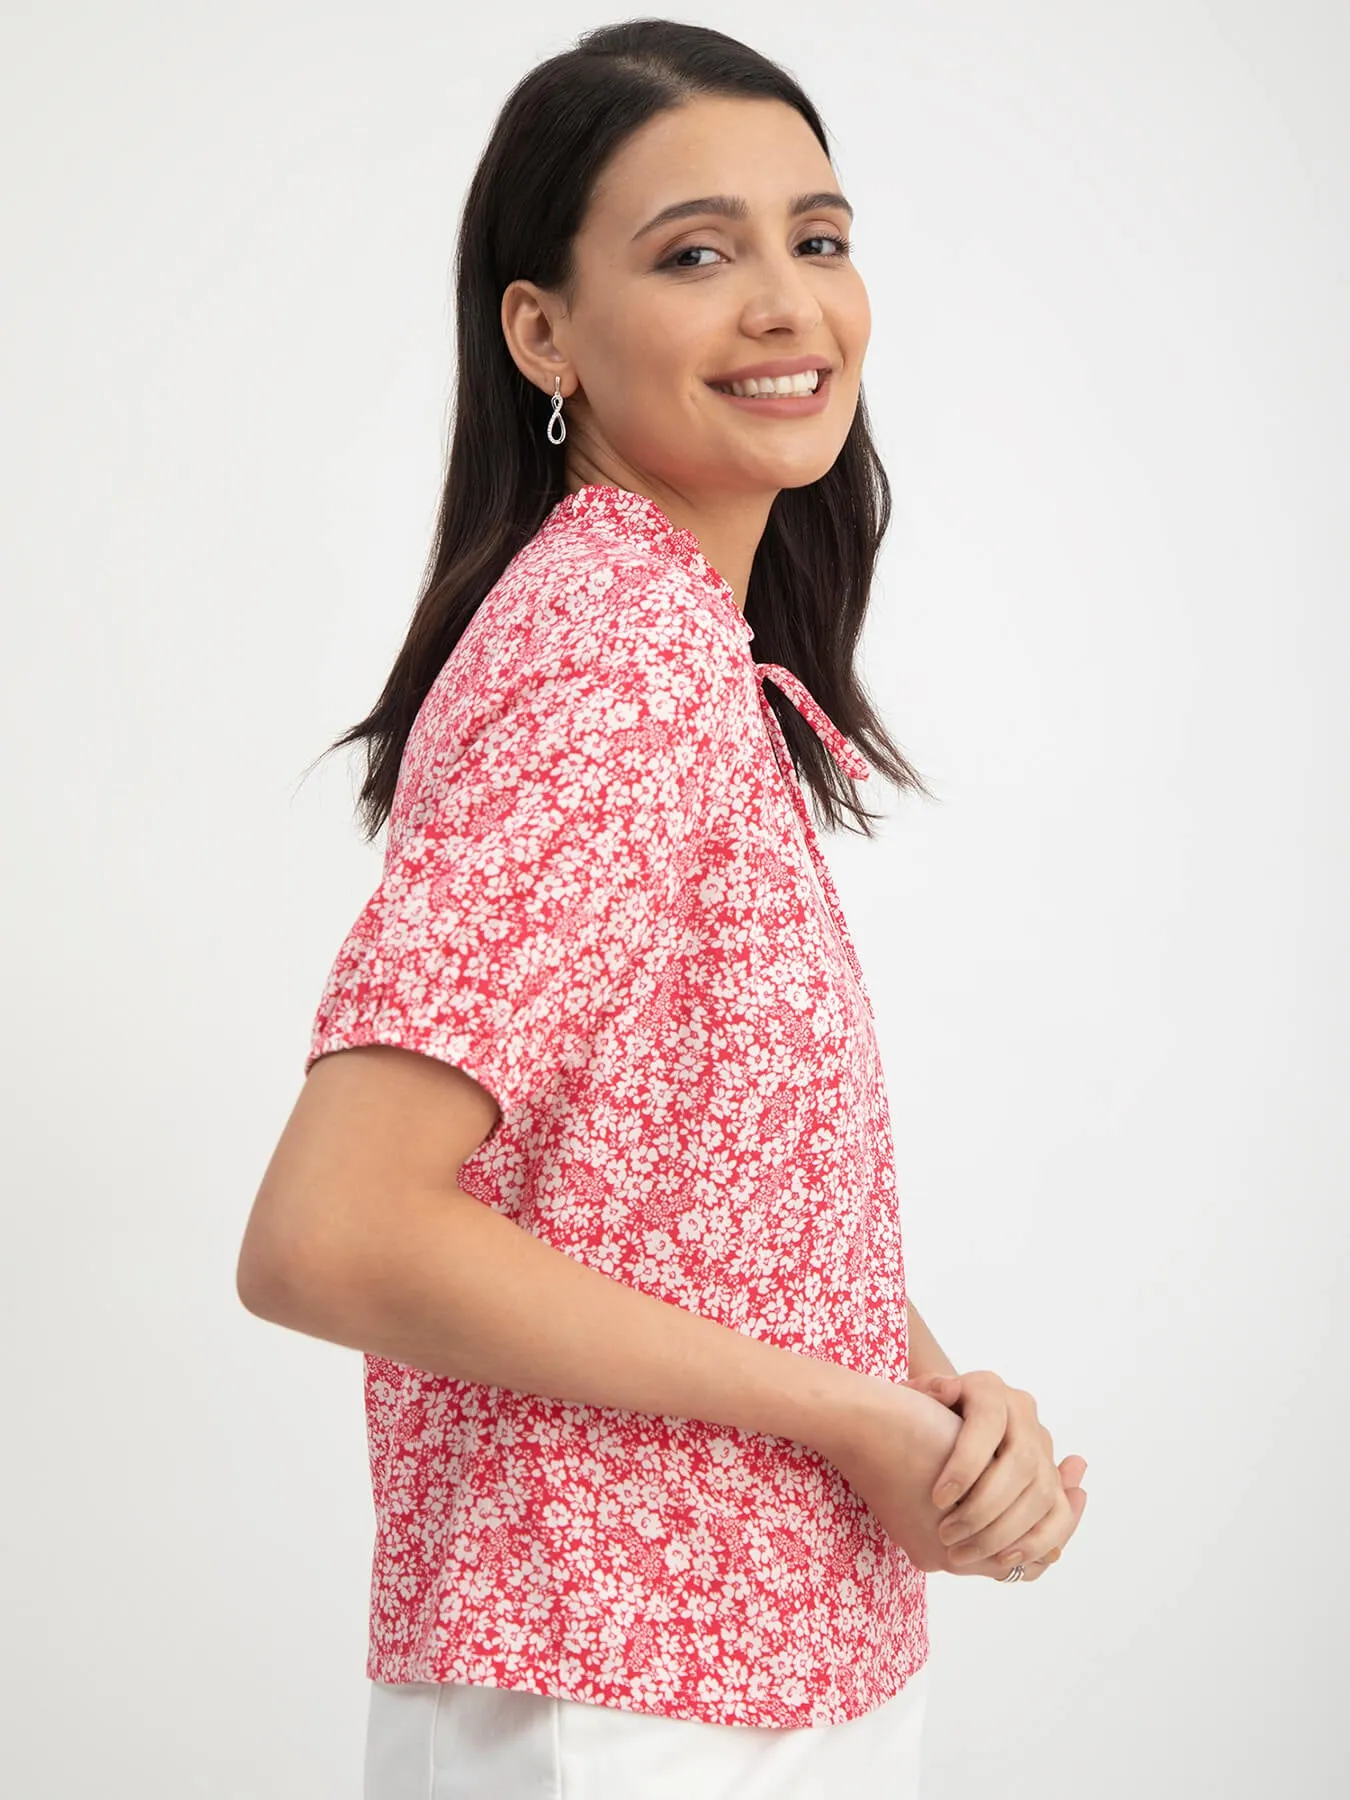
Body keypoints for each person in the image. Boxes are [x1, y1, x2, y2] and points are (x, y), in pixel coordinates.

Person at [236, 18, 1088, 1798]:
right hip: (625, 1696)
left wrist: (933, 1411)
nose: (786, 302)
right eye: (697, 253)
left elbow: (691, 1195)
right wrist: (857, 1416)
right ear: (540, 328)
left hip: (749, 1670)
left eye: (819, 237)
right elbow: (334, 1231)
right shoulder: (606, 653)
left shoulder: (686, 650)